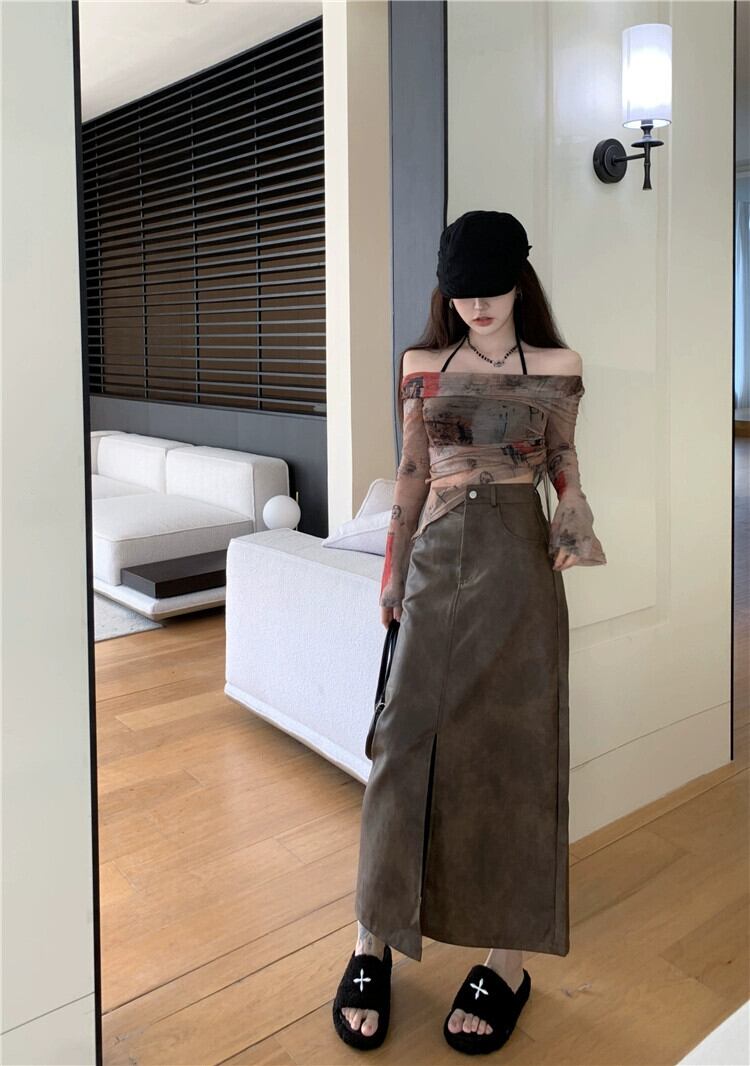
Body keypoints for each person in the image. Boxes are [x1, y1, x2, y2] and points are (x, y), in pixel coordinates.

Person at [331, 210, 607, 1055]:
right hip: (437, 556)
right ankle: (371, 937)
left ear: (519, 280)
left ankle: (505, 960)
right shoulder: (422, 365)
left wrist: (574, 512)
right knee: (400, 744)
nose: (476, 306)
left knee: (513, 755)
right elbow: (412, 473)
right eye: (461, 293)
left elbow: (562, 459)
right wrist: (391, 574)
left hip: (519, 562)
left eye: (490, 290)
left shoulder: (557, 365)